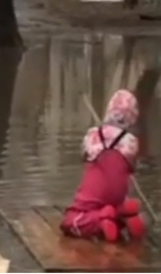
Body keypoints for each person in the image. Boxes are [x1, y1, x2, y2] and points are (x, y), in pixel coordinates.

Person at [60, 89, 146, 242]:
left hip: (93, 196)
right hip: (116, 196)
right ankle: (123, 212)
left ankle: (101, 220)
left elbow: (84, 157)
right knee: (114, 204)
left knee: (69, 221)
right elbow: (130, 168)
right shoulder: (132, 141)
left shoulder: (92, 134)